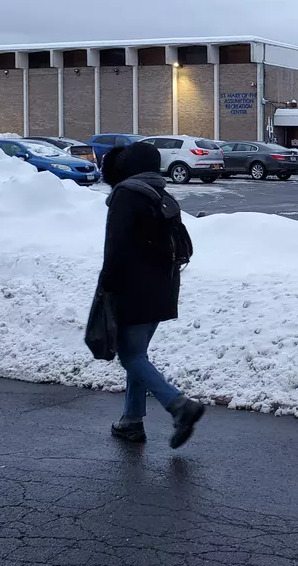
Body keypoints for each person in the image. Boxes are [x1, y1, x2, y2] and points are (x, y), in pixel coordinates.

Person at [99, 141, 204, 448]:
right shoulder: (161, 193)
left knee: (130, 355)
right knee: (137, 355)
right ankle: (131, 421)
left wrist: (107, 287)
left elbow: (115, 248)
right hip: (164, 287)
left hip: (135, 288)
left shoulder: (126, 194)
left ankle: (179, 405)